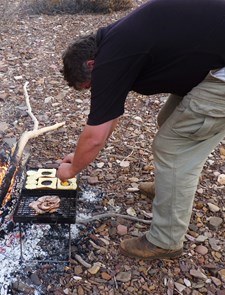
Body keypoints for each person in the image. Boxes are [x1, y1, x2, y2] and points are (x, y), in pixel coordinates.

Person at [56, 0, 225, 260]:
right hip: (213, 61)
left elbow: (95, 136)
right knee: (169, 120)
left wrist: (72, 169)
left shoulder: (110, 59)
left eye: (90, 86)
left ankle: (166, 241)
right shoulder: (113, 40)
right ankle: (170, 188)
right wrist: (78, 158)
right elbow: (109, 115)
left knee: (174, 146)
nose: (95, 90)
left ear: (91, 64)